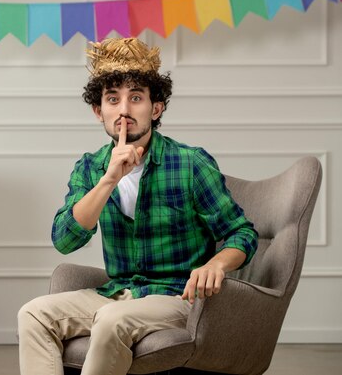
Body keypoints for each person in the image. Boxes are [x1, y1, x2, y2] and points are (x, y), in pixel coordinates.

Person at [17, 37, 258, 375]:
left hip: (178, 297)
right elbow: (65, 240)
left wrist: (216, 264)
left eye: (136, 98)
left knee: (112, 319)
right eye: (112, 99)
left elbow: (241, 233)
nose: (124, 110)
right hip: (117, 292)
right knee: (32, 314)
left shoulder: (189, 163)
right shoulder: (90, 167)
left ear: (155, 108)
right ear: (98, 111)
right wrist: (109, 179)